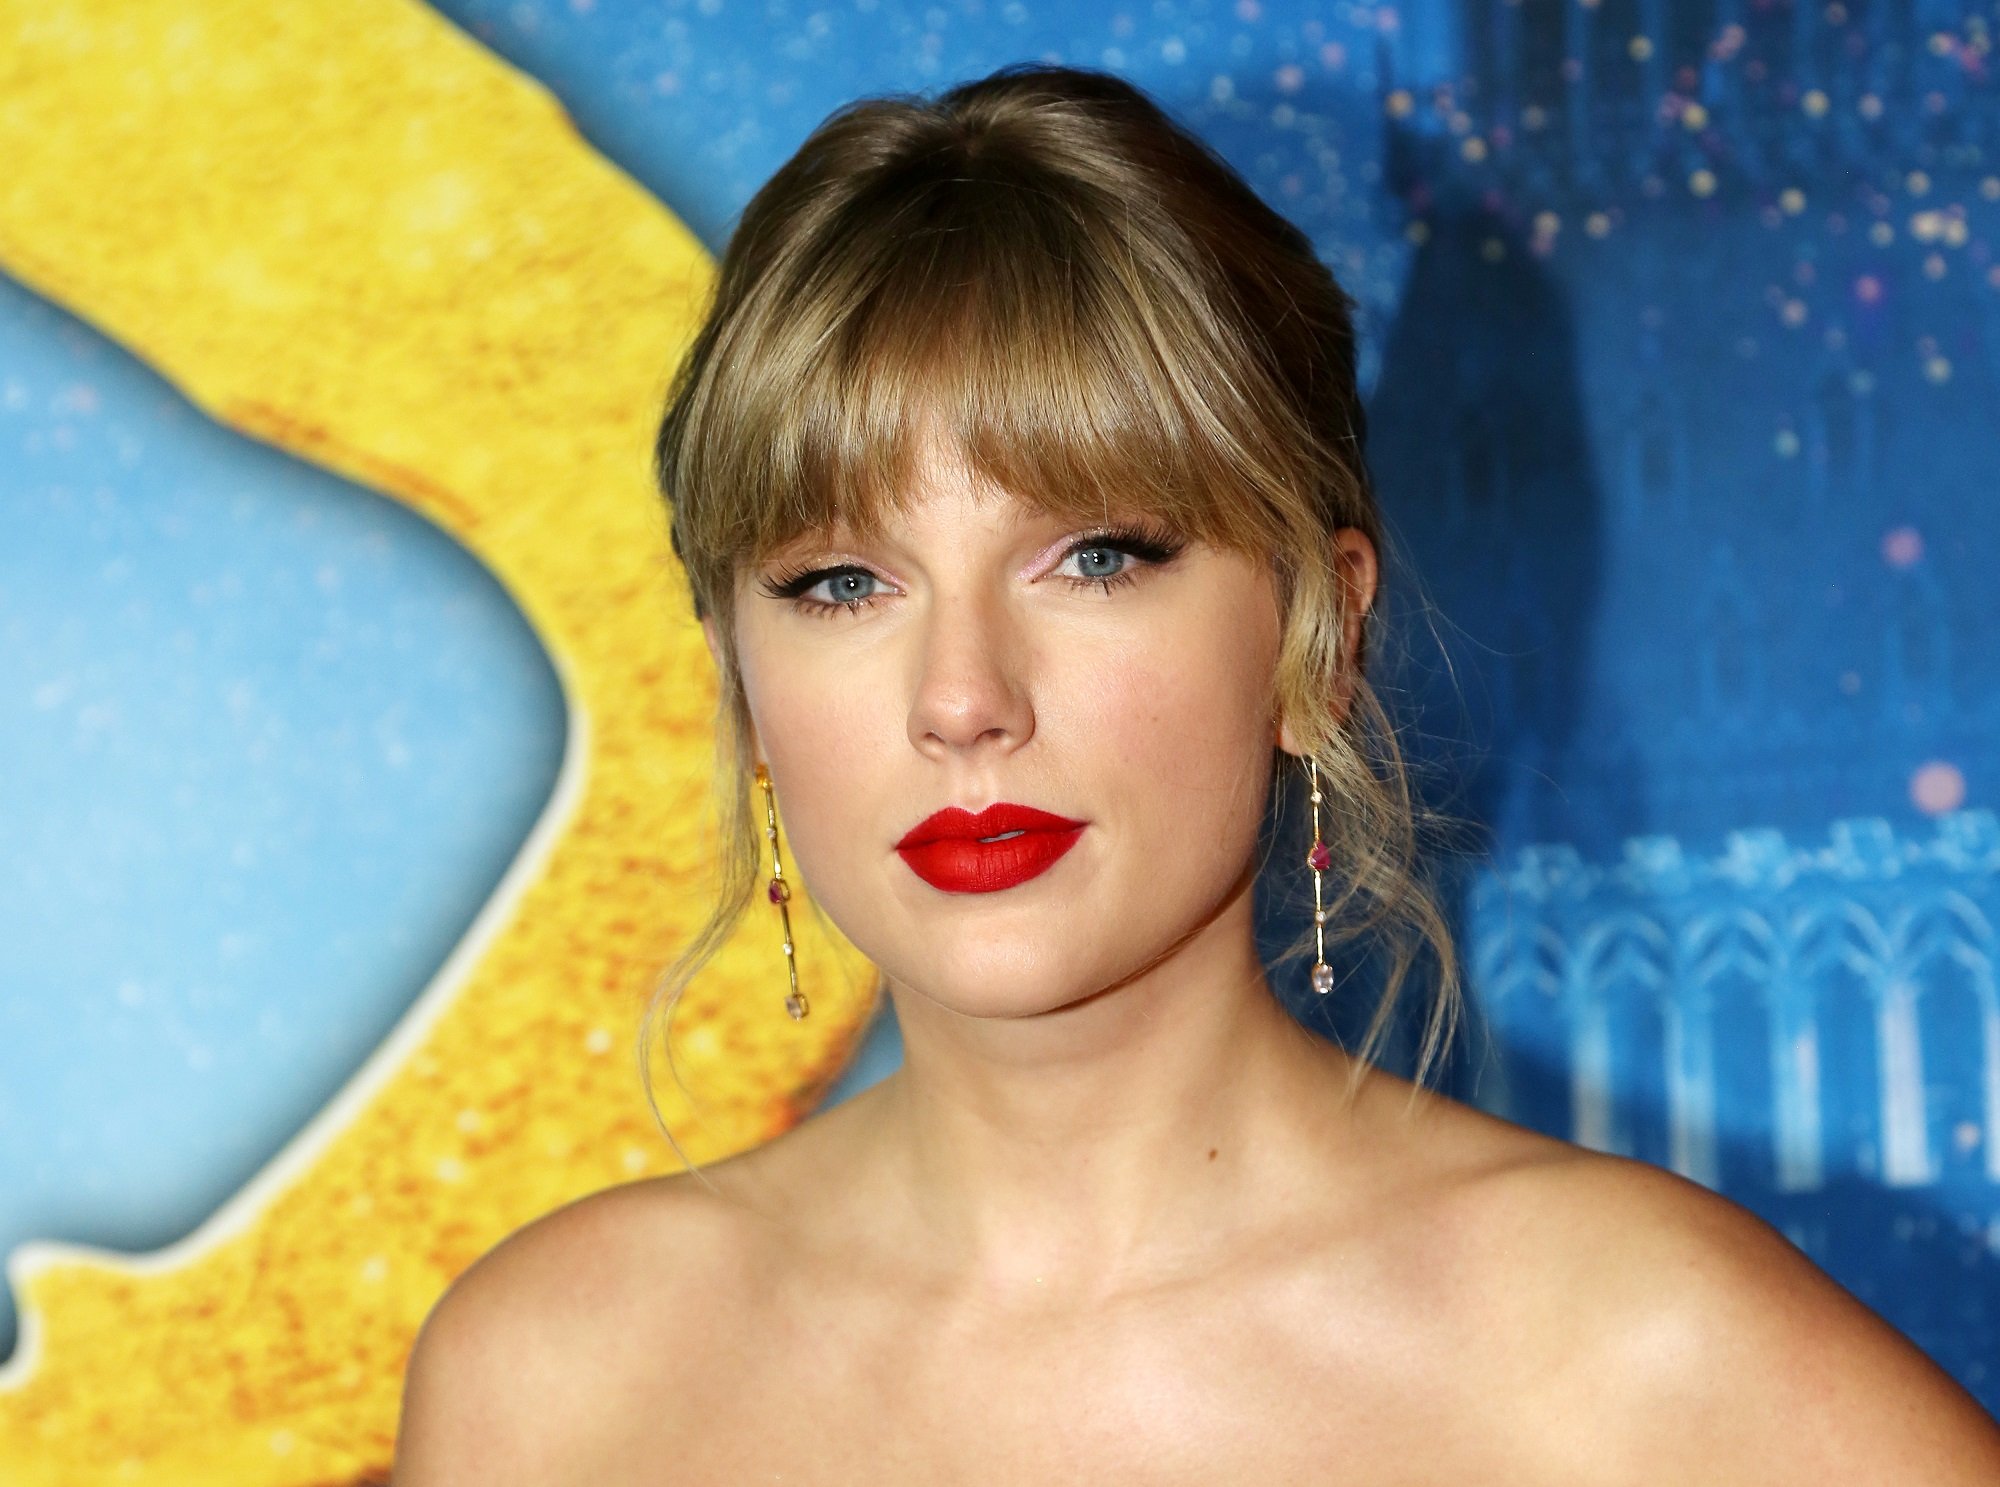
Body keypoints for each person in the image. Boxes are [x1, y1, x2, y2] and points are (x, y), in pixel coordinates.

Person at [391, 63, 2000, 1483]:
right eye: (839, 585)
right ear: (741, 675)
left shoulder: (1636, 1368)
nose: (962, 701)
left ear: (1315, 634)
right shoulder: (552, 1386)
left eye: (1094, 556)